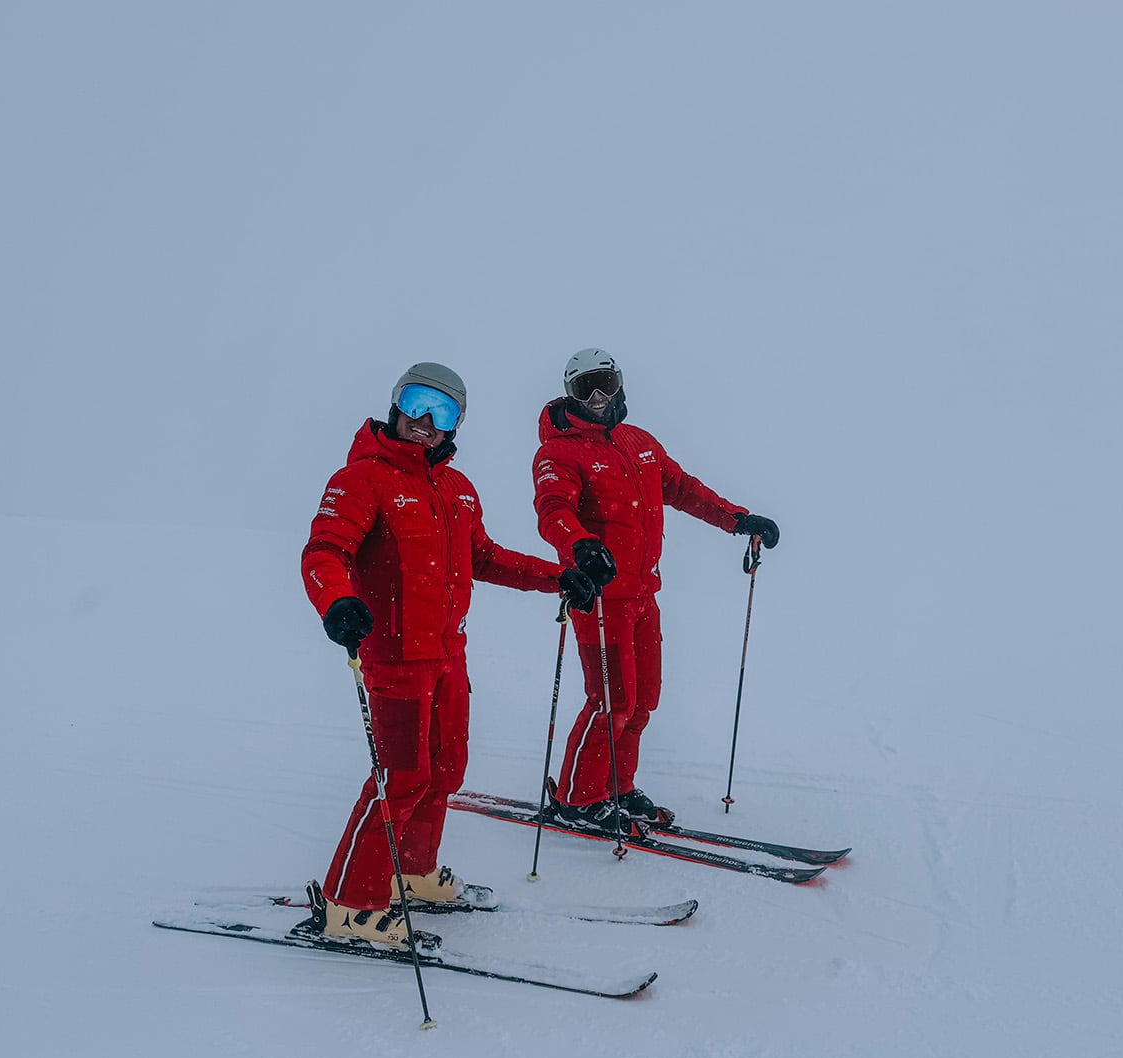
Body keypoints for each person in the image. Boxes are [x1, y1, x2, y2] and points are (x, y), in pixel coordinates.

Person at [301, 362, 601, 947]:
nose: (425, 422)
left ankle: (410, 874)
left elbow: (485, 558)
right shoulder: (362, 478)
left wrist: (557, 577)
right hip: (393, 656)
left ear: (456, 424)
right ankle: (350, 904)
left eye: (443, 413)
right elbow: (324, 552)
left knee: (445, 769)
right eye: (416, 404)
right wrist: (337, 603)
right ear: (395, 405)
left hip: (447, 655)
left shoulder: (457, 489)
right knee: (400, 777)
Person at [531, 348, 780, 835]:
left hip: (644, 593)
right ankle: (579, 800)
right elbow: (552, 509)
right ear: (570, 393)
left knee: (643, 700)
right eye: (587, 388)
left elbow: (682, 488)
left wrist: (737, 519)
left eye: (606, 383)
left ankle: (616, 787)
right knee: (610, 700)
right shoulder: (558, 451)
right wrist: (579, 545)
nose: (599, 397)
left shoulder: (638, 441)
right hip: (599, 597)